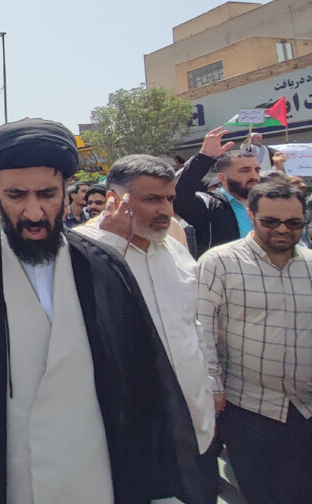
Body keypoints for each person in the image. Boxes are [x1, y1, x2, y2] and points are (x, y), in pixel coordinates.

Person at [0, 118, 205, 504]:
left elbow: (144, 383)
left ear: (65, 188)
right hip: (11, 480)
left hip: (97, 476)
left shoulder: (103, 267)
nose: (34, 212)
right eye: (16, 195)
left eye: (47, 194)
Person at [74, 155, 218, 503]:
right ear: (114, 199)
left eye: (169, 198)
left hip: (194, 423)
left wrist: (211, 385)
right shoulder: (79, 250)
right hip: (128, 432)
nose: (165, 209)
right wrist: (114, 242)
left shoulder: (175, 247)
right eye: (152, 199)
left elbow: (192, 323)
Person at [197, 182, 312, 504]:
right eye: (271, 221)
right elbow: (202, 328)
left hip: (306, 410)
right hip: (248, 408)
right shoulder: (220, 263)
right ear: (251, 215)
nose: (283, 229)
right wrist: (213, 388)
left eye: (294, 222)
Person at [175, 126, 261, 257]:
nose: (254, 176)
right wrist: (204, 158)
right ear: (223, 178)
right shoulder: (209, 205)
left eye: (257, 170)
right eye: (245, 171)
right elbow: (181, 195)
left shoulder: (267, 203)